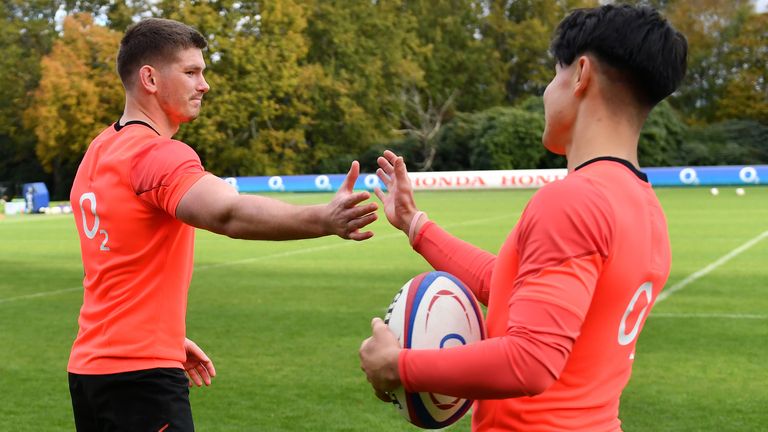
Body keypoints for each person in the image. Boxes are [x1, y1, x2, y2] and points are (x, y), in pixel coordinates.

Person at [360, 4, 687, 431]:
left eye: (555, 74)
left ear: (582, 74)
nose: (547, 92)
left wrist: (399, 366)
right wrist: (415, 224)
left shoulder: (574, 200)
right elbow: (516, 288)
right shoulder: (643, 206)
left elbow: (532, 361)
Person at [68, 18, 378, 431]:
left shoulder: (100, 149)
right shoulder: (157, 155)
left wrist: (163, 336)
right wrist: (324, 216)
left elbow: (117, 259)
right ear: (150, 78)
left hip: (91, 371)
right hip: (140, 380)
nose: (204, 85)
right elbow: (227, 212)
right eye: (191, 72)